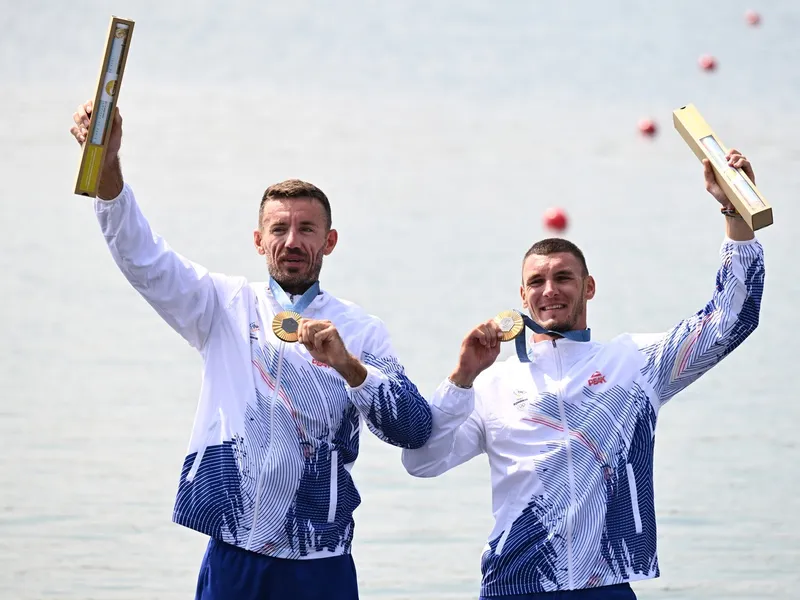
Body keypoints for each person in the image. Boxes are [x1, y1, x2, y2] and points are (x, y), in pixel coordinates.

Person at [69, 100, 433, 600]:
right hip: (234, 549)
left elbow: (414, 429)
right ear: (258, 241)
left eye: (306, 229)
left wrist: (351, 368)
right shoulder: (223, 305)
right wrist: (107, 167)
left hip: (320, 560)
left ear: (329, 242)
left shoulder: (362, 331)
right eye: (279, 229)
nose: (291, 241)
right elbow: (142, 257)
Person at [401, 150, 765, 599]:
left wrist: (735, 212)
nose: (549, 290)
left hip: (605, 580)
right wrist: (460, 378)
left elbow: (730, 321)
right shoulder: (492, 383)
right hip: (515, 583)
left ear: (588, 287)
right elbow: (421, 462)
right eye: (536, 282)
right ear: (522, 295)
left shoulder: (634, 362)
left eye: (563, 278)